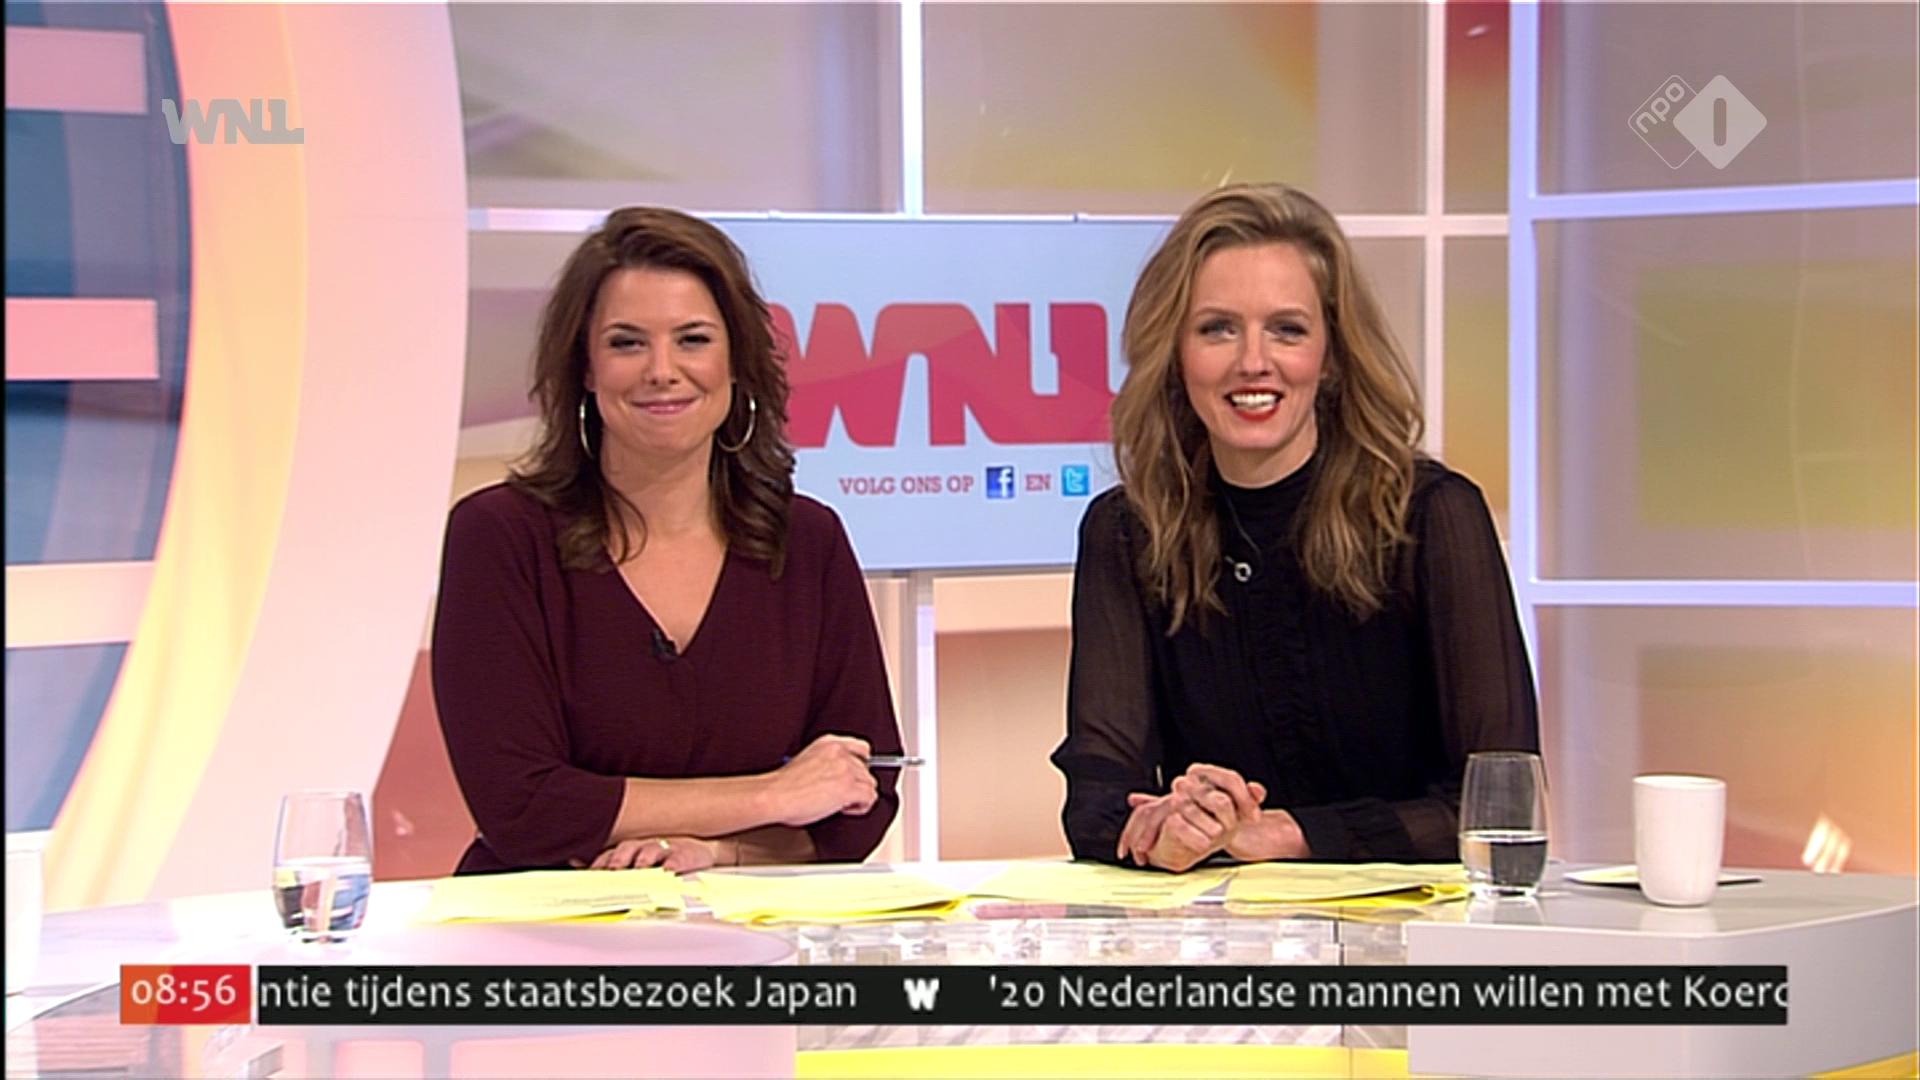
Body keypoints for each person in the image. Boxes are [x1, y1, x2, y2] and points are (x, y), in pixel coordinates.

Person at [1051, 183, 1539, 872]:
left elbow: (1503, 808)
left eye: (1287, 329)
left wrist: (1290, 834)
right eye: (1217, 328)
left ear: (1330, 354)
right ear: (1175, 353)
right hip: (1219, 929)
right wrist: (1166, 830)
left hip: (1416, 928)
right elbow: (1096, 802)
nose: (1253, 361)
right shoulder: (1128, 532)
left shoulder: (1431, 517)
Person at [432, 207, 904, 875]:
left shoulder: (808, 542)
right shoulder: (500, 537)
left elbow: (861, 796)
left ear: (736, 360)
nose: (662, 370)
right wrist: (772, 795)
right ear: (586, 368)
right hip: (543, 924)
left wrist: (718, 853)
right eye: (627, 343)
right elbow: (521, 805)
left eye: (693, 339)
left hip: (749, 921)